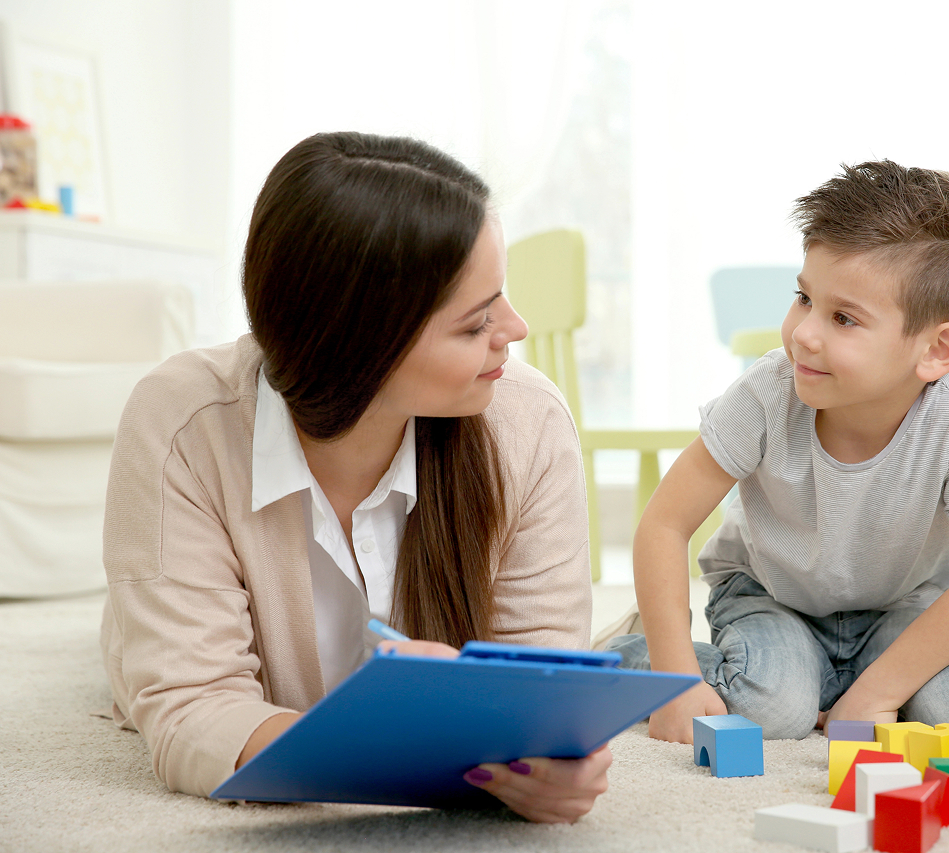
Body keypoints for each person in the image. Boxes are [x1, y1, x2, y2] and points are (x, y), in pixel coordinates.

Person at [100, 132, 608, 823]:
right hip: (162, 629)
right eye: (474, 323)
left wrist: (546, 761)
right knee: (128, 658)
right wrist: (397, 734)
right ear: (361, 345)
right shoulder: (184, 423)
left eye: (502, 298)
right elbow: (191, 708)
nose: (515, 329)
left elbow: (544, 686)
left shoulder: (528, 424)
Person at [604, 160, 949, 744]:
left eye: (843, 318)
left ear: (937, 350)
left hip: (908, 604)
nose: (803, 334)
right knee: (772, 711)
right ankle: (633, 652)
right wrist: (673, 679)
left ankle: (903, 666)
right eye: (803, 298)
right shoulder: (765, 394)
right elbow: (665, 524)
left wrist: (878, 692)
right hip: (773, 598)